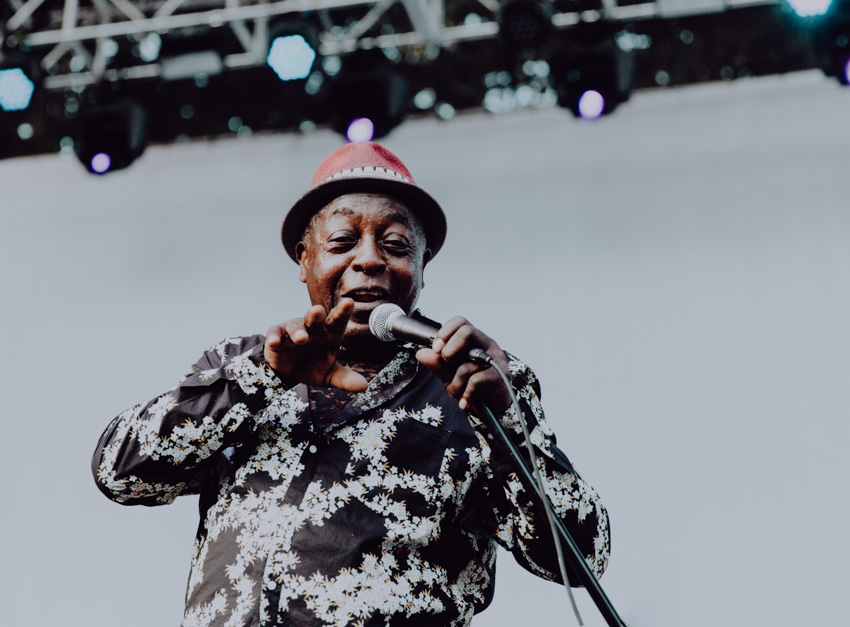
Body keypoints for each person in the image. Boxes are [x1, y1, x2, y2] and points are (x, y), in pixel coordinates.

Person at [92, 142, 610, 627]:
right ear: (304, 259)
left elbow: (581, 557)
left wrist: (508, 423)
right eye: (342, 241)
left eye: (396, 244)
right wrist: (261, 378)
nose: (369, 259)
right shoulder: (242, 363)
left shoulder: (472, 379)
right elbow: (121, 474)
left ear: (423, 264)